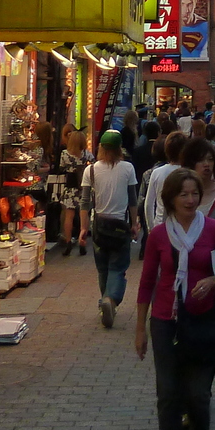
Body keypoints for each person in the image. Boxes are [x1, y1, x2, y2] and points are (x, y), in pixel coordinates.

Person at [135, 168, 215, 430]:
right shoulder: (160, 237)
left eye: (195, 194)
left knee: (197, 395)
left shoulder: (213, 230)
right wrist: (140, 328)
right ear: (171, 199)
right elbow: (148, 281)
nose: (191, 200)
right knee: (168, 396)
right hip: (166, 321)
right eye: (184, 195)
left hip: (204, 322)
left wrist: (212, 280)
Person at [83, 130, 139, 328]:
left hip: (99, 226)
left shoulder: (90, 170)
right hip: (120, 226)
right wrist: (135, 223)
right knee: (117, 267)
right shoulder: (128, 168)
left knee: (102, 268)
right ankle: (110, 300)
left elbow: (84, 202)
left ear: (101, 148)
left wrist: (83, 229)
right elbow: (133, 199)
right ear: (119, 149)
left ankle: (105, 302)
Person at [143, 130, 190, 232]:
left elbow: (148, 204)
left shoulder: (157, 172)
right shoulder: (189, 173)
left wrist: (151, 228)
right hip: (184, 227)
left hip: (160, 225)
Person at [57, 128, 93, 255]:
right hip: (83, 188)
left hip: (70, 188)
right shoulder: (86, 154)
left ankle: (68, 243)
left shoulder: (64, 154)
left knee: (69, 216)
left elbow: (61, 168)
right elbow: (93, 164)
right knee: (84, 215)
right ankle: (82, 242)